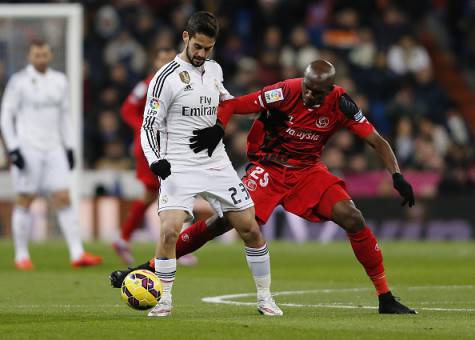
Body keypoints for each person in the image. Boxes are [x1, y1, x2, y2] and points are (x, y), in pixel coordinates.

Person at [111, 59, 416, 315]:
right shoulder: (285, 91)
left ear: (330, 91)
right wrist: (218, 127)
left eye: (317, 93)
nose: (309, 95)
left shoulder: (342, 104)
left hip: (308, 172)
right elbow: (234, 103)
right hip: (268, 169)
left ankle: (385, 297)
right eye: (307, 88)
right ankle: (148, 267)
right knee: (222, 224)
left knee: (352, 216)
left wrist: (397, 175)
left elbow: (377, 140)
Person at [140, 12, 281, 317]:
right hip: (177, 164)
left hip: (216, 162)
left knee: (250, 228)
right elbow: (148, 126)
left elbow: (227, 102)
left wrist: (220, 126)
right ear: (186, 38)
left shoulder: (214, 70)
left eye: (209, 48)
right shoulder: (165, 78)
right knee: (169, 231)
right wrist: (156, 161)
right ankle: (164, 299)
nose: (202, 54)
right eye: (198, 47)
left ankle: (265, 298)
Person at [0, 40, 102, 270]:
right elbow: (6, 115)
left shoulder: (60, 81)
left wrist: (69, 146)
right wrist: (13, 148)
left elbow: (64, 116)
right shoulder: (19, 82)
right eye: (37, 55)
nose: (41, 59)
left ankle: (77, 253)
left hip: (54, 147)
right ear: (29, 56)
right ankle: (21, 256)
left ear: (50, 56)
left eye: (44, 54)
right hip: (28, 147)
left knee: (64, 197)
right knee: (25, 198)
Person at [112, 47, 203, 267]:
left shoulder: (177, 83)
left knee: (154, 194)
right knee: (172, 191)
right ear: (154, 61)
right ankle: (178, 245)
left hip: (169, 147)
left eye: (168, 59)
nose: (165, 63)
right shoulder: (148, 83)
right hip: (150, 148)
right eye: (161, 59)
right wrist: (144, 128)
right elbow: (127, 109)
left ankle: (124, 239)